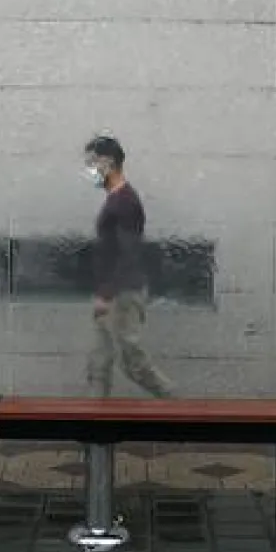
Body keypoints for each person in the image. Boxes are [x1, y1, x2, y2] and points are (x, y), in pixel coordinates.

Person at [82, 135, 173, 398]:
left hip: (123, 293)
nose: (89, 170)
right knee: (99, 363)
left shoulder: (125, 202)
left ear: (108, 162)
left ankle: (180, 408)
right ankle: (96, 422)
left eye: (92, 163)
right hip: (112, 291)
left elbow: (128, 253)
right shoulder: (115, 199)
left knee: (134, 363)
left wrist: (106, 294)